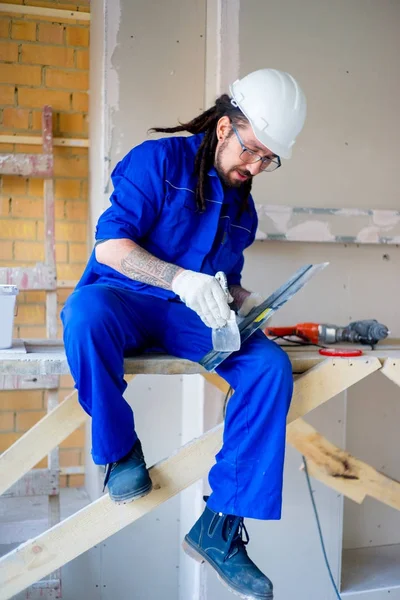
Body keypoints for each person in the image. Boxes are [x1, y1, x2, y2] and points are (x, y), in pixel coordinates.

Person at [61, 68, 307, 600]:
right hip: (123, 300)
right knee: (83, 315)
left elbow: (227, 281)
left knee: (268, 367)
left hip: (186, 317)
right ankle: (120, 452)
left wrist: (250, 303)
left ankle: (219, 528)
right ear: (224, 129)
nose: (257, 165)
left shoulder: (243, 203)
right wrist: (177, 277)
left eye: (269, 159)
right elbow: (109, 248)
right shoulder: (158, 162)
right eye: (253, 150)